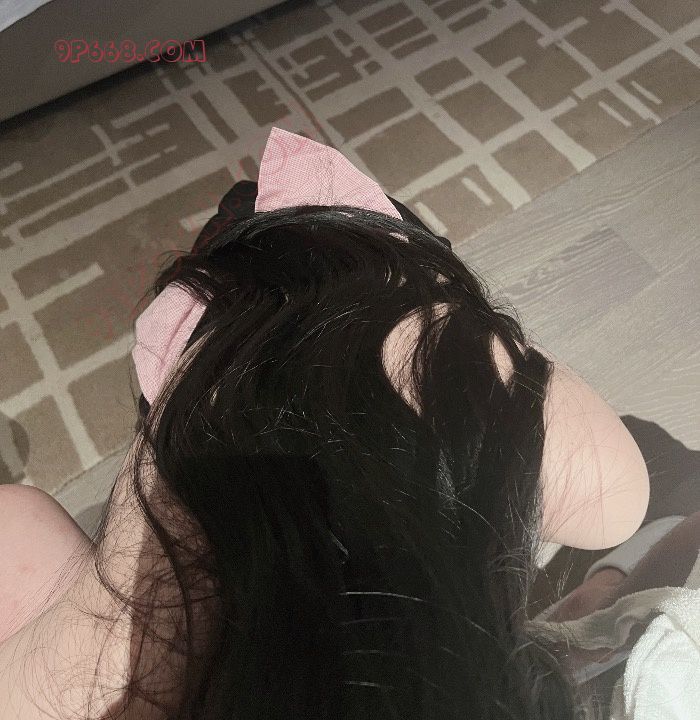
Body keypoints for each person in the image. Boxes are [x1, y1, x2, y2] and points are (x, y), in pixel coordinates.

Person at [0, 128, 655, 719]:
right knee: (616, 505)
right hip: (279, 332)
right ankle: (346, 281)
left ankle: (321, 282)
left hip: (276, 324)